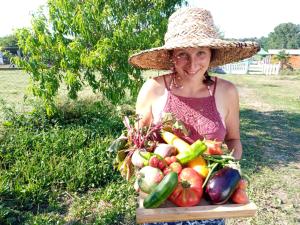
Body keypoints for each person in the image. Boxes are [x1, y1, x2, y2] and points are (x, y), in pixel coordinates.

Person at [128, 7, 260, 225]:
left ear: (211, 55)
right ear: (171, 56)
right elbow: (137, 144)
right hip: (163, 203)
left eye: (201, 53)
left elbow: (234, 141)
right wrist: (142, 171)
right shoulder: (152, 89)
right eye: (182, 54)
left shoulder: (227, 92)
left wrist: (229, 170)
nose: (192, 64)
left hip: (210, 206)